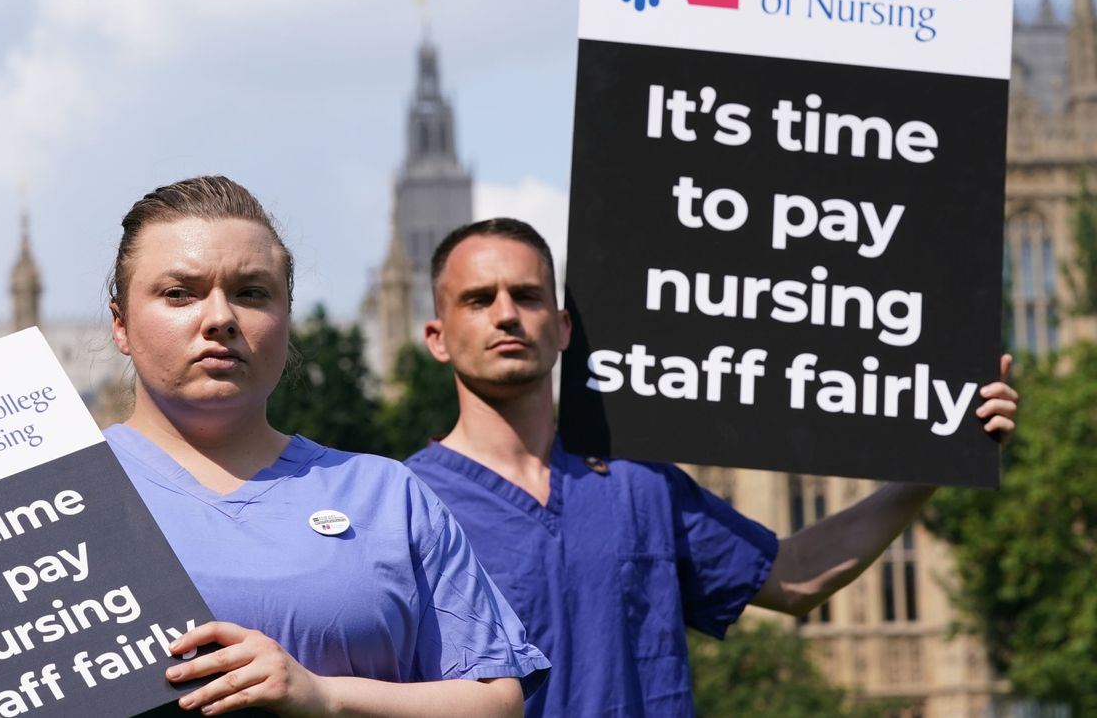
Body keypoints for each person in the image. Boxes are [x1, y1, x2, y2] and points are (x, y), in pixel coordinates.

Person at [0, 177, 546, 718]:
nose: (220, 317)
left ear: (287, 320)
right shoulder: (37, 485)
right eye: (180, 292)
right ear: (119, 325)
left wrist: (319, 695)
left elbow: (496, 700)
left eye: (252, 293)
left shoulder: (383, 495)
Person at [403, 218, 1019, 718]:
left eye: (528, 295)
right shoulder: (405, 503)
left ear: (563, 327)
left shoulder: (639, 483)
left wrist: (941, 457)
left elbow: (798, 577)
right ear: (437, 335)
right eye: (479, 300)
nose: (507, 314)